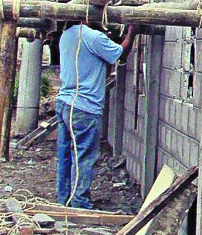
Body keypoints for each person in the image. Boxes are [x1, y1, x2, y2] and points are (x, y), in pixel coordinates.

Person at [56, 18, 139, 209]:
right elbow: (119, 54)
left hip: (65, 103)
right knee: (84, 157)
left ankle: (64, 200)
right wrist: (132, 32)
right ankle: (79, 203)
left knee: (67, 155)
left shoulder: (67, 35)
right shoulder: (93, 37)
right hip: (84, 107)